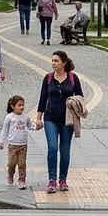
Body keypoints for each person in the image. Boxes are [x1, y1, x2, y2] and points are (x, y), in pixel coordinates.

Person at [37, 50, 83, 193]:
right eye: (52, 61)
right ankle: (52, 180)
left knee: (65, 151)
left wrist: (72, 102)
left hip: (67, 119)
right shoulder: (48, 78)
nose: (53, 63)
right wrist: (38, 118)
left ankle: (63, 180)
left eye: (56, 61)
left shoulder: (73, 78)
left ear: (64, 62)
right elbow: (43, 98)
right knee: (52, 148)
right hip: (50, 117)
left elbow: (80, 96)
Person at [0, 95, 31, 190]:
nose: (22, 107)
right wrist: (1, 141)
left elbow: (30, 126)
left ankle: (22, 180)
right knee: (11, 163)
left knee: (22, 164)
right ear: (13, 106)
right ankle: (10, 174)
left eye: (23, 105)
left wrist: (37, 126)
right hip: (12, 145)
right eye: (19, 105)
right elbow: (5, 130)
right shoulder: (9, 117)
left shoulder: (26, 117)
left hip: (23, 145)